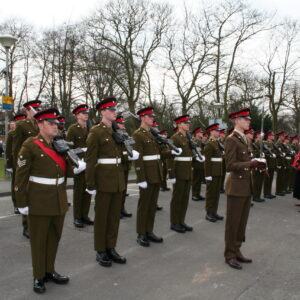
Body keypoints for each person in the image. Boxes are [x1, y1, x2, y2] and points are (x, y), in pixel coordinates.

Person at [14, 108, 82, 294]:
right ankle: (38, 276)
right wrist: (21, 203)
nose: (56, 127)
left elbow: (63, 171)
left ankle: (49, 270)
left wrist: (76, 168)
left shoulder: (58, 144)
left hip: (58, 199)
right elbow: (21, 177)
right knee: (39, 241)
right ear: (40, 124)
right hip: (39, 201)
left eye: (56, 124)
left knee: (54, 238)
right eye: (51, 123)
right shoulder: (30, 145)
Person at [85, 97, 139, 267]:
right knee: (102, 218)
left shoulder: (117, 131)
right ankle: (100, 250)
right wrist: (90, 184)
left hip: (117, 179)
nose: (115, 112)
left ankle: (111, 247)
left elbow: (118, 155)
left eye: (115, 110)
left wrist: (129, 154)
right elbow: (91, 160)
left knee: (114, 217)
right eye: (111, 110)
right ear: (102, 112)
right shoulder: (96, 132)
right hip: (103, 180)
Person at [224, 108, 266, 270]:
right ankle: (229, 255)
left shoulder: (245, 140)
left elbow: (247, 162)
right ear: (237, 120)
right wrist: (251, 164)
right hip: (236, 187)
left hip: (247, 186)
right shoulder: (231, 139)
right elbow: (230, 165)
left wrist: (258, 165)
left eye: (249, 119)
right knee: (233, 223)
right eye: (245, 119)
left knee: (242, 223)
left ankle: (237, 250)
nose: (249, 121)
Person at [132, 107, 179, 246]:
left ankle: (149, 231)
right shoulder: (137, 134)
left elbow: (159, 155)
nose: (153, 118)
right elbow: (138, 159)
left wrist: (172, 153)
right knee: (144, 205)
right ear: (142, 118)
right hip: (147, 175)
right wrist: (141, 178)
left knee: (152, 205)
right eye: (150, 116)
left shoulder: (152, 134)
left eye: (152, 116)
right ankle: (141, 233)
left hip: (156, 174)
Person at [12, 100, 42, 239]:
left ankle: (36, 223)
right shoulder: (21, 125)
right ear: (28, 111)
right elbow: (16, 147)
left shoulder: (40, 123)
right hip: (27, 164)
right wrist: (19, 165)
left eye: (38, 109)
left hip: (39, 164)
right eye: (33, 109)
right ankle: (26, 226)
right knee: (27, 193)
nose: (36, 112)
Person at [66, 104, 93, 228]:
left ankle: (85, 215)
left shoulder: (90, 127)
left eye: (87, 113)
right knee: (78, 192)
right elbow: (69, 149)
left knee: (88, 190)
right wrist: (74, 165)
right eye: (83, 113)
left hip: (89, 162)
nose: (86, 115)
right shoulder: (73, 129)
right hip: (79, 163)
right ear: (77, 115)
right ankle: (77, 217)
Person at [169, 114, 195, 233]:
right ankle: (174, 222)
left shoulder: (187, 138)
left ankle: (181, 220)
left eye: (188, 123)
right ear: (179, 124)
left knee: (184, 198)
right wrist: (172, 174)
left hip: (187, 171)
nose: (188, 125)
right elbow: (170, 158)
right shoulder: (175, 138)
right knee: (177, 198)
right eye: (186, 123)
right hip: (179, 172)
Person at [5, 115, 26, 214]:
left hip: (25, 161)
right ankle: (16, 204)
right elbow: (9, 150)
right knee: (16, 183)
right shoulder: (11, 134)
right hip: (15, 162)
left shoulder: (27, 132)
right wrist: (9, 165)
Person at [203, 123, 223, 222]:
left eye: (219, 131)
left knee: (216, 194)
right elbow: (207, 161)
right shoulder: (209, 144)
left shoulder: (216, 143)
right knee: (211, 193)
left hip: (218, 172)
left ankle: (214, 212)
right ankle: (209, 213)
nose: (218, 133)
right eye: (216, 131)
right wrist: (208, 175)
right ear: (211, 132)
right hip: (212, 173)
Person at [115, 114, 132, 218]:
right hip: (119, 165)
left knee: (124, 189)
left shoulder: (125, 134)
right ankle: (117, 210)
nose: (123, 126)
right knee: (119, 191)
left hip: (126, 165)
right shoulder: (115, 135)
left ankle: (122, 208)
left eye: (123, 124)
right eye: (121, 124)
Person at [191, 127, 206, 201]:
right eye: (200, 133)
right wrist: (195, 157)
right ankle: (194, 194)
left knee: (199, 180)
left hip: (200, 163)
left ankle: (198, 194)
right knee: (196, 180)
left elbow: (202, 151)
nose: (202, 134)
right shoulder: (194, 141)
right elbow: (192, 152)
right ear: (197, 134)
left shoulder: (200, 142)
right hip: (196, 163)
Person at [251, 131, 265, 203]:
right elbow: (253, 154)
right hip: (256, 164)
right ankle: (254, 196)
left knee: (260, 181)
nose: (262, 136)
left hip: (262, 164)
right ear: (257, 136)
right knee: (256, 181)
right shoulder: (255, 144)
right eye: (260, 135)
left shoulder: (262, 144)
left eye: (262, 135)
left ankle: (258, 196)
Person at [263, 131, 277, 199]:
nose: (273, 136)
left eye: (273, 135)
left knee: (271, 178)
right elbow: (264, 153)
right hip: (268, 163)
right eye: (272, 135)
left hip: (272, 163)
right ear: (268, 136)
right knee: (267, 179)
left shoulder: (273, 144)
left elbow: (275, 152)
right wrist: (270, 155)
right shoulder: (265, 143)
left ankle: (269, 192)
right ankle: (266, 193)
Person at [274, 132, 287, 196]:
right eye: (283, 136)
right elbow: (276, 153)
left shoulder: (281, 144)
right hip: (279, 162)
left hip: (282, 162)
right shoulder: (277, 144)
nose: (284, 137)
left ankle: (280, 190)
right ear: (280, 136)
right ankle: (278, 191)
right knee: (279, 178)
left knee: (282, 177)